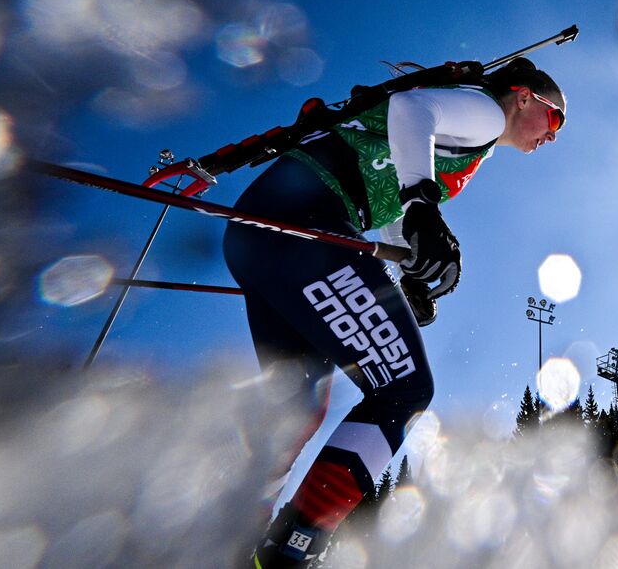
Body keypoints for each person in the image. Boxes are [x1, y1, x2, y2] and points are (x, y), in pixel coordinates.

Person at [222, 58, 566, 567]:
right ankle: (290, 550)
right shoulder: (486, 115)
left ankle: (230, 528)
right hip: (303, 222)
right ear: (523, 97)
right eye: (555, 118)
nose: (552, 136)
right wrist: (425, 203)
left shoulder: (465, 139)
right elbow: (411, 108)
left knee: (294, 406)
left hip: (267, 231)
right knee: (404, 389)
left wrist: (407, 278)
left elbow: (390, 208)